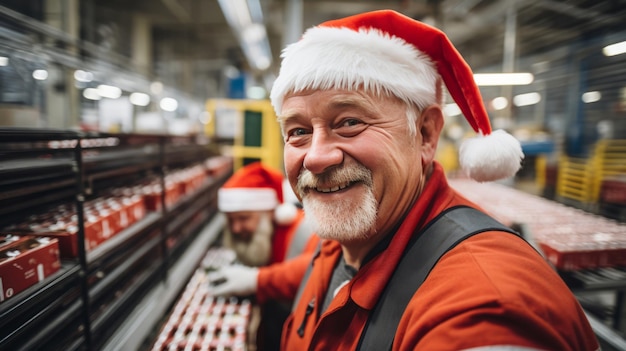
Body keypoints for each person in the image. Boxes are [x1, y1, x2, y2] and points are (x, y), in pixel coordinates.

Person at [212, 9, 600, 351]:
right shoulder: (356, 236)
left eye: (349, 122)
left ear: (426, 134)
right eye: (297, 131)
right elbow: (321, 268)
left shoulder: (486, 303)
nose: (315, 157)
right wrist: (258, 280)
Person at [214, 161, 319, 351]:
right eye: (231, 221)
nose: (236, 228)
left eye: (244, 218)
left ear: (269, 213)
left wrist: (257, 280)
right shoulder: (262, 238)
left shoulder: (304, 231)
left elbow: (317, 267)